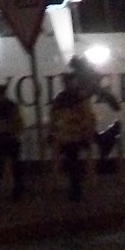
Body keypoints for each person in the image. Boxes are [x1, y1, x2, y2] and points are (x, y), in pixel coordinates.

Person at [48, 71, 96, 202]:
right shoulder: (76, 97)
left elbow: (54, 117)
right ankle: (75, 188)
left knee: (71, 161)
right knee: (72, 161)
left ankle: (75, 188)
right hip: (70, 135)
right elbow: (88, 116)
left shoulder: (66, 98)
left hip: (72, 135)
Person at [0, 81, 24, 201]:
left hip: (1, 138)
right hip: (12, 138)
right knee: (15, 165)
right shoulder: (12, 106)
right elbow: (18, 122)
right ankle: (17, 189)